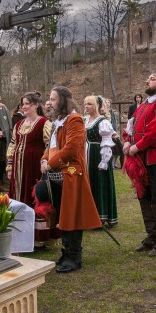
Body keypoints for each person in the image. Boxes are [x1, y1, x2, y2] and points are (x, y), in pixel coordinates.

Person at [41, 86, 101, 273]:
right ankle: (66, 252)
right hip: (58, 173)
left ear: (63, 101)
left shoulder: (74, 120)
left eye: (53, 99)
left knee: (72, 214)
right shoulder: (58, 121)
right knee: (61, 214)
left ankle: (75, 256)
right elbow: (51, 145)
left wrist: (49, 164)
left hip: (72, 173)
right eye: (49, 99)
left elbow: (72, 148)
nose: (49, 102)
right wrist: (44, 159)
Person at [123, 71, 156, 257]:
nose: (147, 80)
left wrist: (137, 146)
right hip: (141, 157)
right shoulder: (143, 105)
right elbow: (131, 126)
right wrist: (127, 141)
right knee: (144, 196)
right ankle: (152, 237)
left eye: (152, 78)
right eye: (148, 78)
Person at [6, 91, 55, 247]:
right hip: (18, 170)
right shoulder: (19, 124)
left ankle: (38, 238)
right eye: (23, 104)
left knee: (34, 199)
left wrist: (46, 163)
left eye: (27, 103)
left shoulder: (44, 123)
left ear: (35, 105)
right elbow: (13, 144)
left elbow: (50, 146)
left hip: (34, 168)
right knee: (17, 197)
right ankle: (18, 235)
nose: (24, 106)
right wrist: (9, 165)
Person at [84, 95, 118, 226]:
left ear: (97, 106)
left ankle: (102, 216)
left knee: (100, 184)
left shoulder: (103, 122)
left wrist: (104, 161)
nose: (86, 106)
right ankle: (90, 216)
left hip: (98, 155)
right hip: (87, 155)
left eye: (90, 104)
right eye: (85, 104)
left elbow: (106, 142)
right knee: (90, 184)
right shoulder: (86, 120)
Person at [105, 98, 124, 169]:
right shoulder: (103, 112)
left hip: (114, 133)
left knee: (118, 149)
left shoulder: (112, 112)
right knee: (111, 150)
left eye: (108, 102)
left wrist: (116, 132)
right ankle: (111, 164)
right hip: (107, 134)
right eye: (106, 102)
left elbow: (115, 123)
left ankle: (114, 164)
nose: (107, 104)